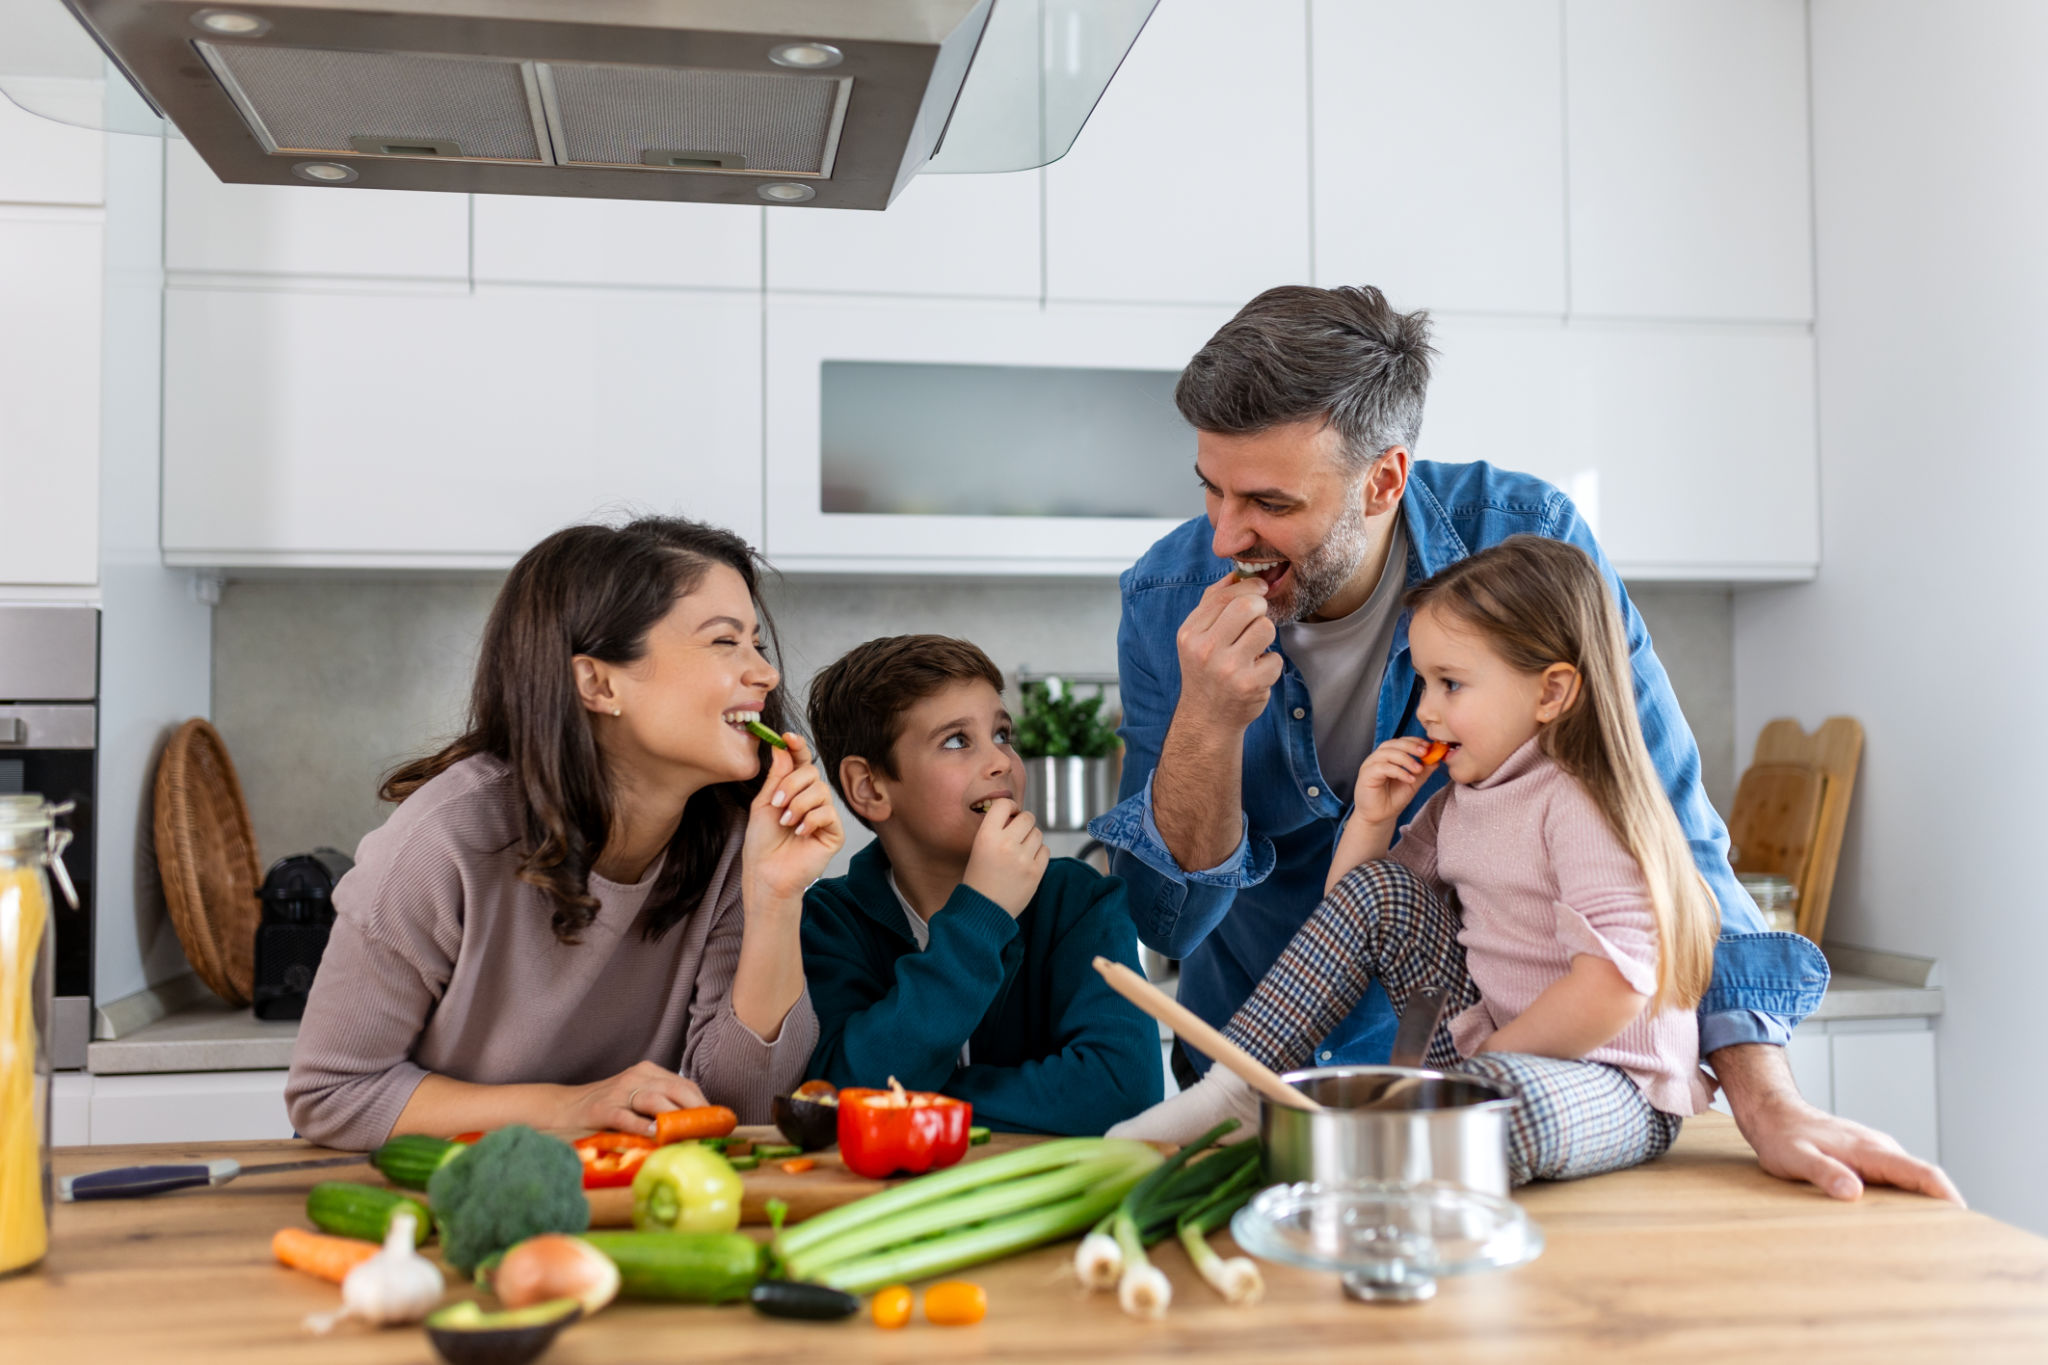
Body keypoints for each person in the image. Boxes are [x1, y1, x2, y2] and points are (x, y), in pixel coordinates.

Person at [1092, 284, 1961, 1202]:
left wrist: (1767, 1100)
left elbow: (1671, 829)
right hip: (1260, 1054)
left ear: (1384, 480)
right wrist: (1206, 721)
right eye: (1211, 488)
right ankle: (1239, 1096)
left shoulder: (1525, 549)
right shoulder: (1163, 599)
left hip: (1490, 1069)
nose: (1225, 535)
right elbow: (1169, 923)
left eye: (1269, 501)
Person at [1116, 537, 1721, 1184]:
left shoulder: (1584, 803)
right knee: (1385, 890)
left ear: (1551, 692)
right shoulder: (1462, 800)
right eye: (1425, 682)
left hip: (1616, 1079)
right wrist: (1372, 820)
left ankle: (1390, 1156)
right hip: (1495, 1058)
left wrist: (1483, 1066)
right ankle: (1239, 1088)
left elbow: (1614, 990)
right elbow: (1350, 917)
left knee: (1493, 1111)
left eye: (1450, 684)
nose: (1427, 711)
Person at [285, 516, 840, 1149]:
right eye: (724, 642)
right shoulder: (440, 842)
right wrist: (573, 1107)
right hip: (430, 1189)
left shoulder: (741, 841)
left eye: (757, 644)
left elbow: (746, 1108)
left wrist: (774, 899)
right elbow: (331, 1094)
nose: (765, 674)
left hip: (608, 1187)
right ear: (599, 683)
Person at [799, 635, 1164, 1134]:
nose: (1002, 762)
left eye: (1002, 734)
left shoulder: (1080, 900)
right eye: (956, 741)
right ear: (870, 787)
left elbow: (1123, 1094)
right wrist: (982, 914)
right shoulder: (827, 922)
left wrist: (907, 1101)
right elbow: (834, 1099)